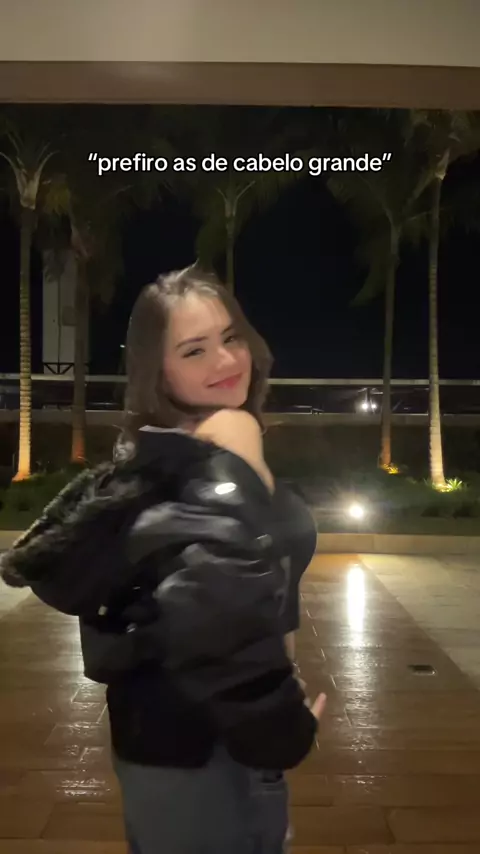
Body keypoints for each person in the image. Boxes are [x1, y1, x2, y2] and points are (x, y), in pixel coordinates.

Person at [0, 264, 326, 854]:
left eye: (231, 337)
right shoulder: (200, 454)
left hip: (212, 740)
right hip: (195, 748)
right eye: (194, 350)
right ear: (158, 371)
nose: (225, 360)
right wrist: (282, 723)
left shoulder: (196, 447)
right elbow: (220, 605)